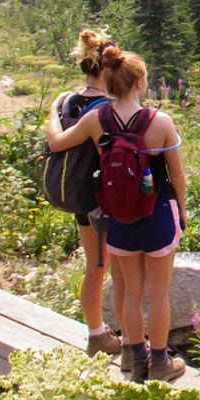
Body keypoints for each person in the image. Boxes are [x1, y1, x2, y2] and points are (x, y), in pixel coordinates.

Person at [47, 47, 188, 383]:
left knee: (129, 291)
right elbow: (177, 176)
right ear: (140, 82)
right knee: (157, 295)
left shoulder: (96, 119)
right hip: (156, 216)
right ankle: (160, 364)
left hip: (118, 219)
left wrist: (53, 111)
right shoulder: (160, 123)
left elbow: (56, 144)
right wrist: (181, 210)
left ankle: (133, 360)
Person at [62, 29, 123, 358]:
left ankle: (97, 331)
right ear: (106, 68)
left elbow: (57, 143)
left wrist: (50, 119)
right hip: (105, 200)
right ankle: (110, 338)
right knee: (113, 269)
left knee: (94, 267)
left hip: (80, 195)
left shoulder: (69, 101)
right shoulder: (105, 110)